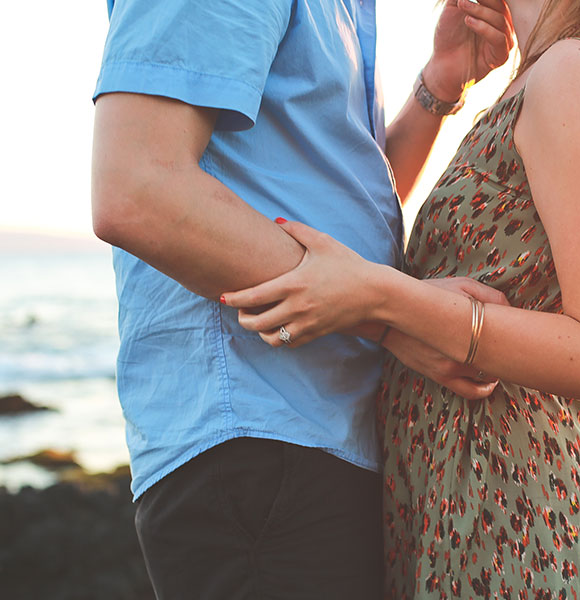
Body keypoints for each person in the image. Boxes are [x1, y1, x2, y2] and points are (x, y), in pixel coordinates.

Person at [222, 0, 580, 596]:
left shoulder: (576, 72)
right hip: (479, 504)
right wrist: (439, 86)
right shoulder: (562, 72)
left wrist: (384, 300)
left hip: (513, 511)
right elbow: (360, 222)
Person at [90, 0, 513, 597]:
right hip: (257, 440)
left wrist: (436, 86)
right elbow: (138, 188)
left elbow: (336, 202)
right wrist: (392, 316)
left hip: (323, 432)